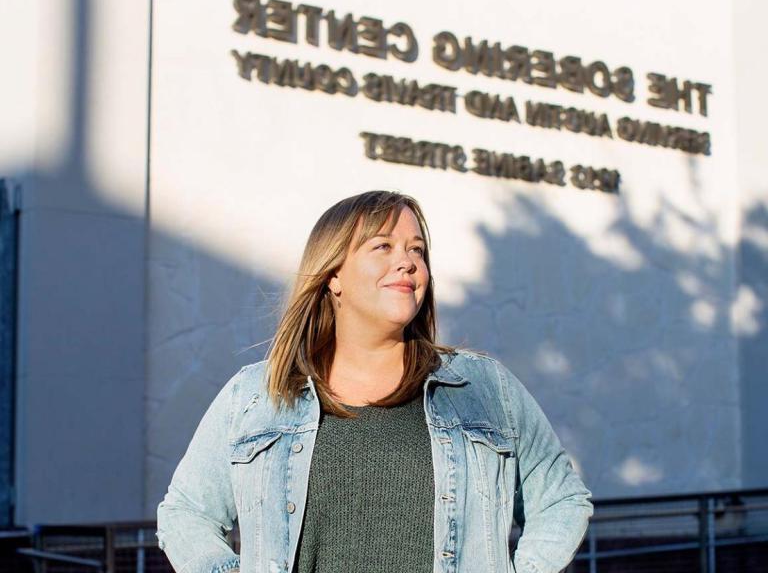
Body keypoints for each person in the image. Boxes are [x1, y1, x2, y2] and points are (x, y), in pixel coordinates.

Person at [156, 190, 594, 573]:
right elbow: (186, 513)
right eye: (383, 246)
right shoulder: (257, 395)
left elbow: (560, 499)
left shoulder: (482, 387)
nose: (407, 262)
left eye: (417, 250)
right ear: (333, 276)